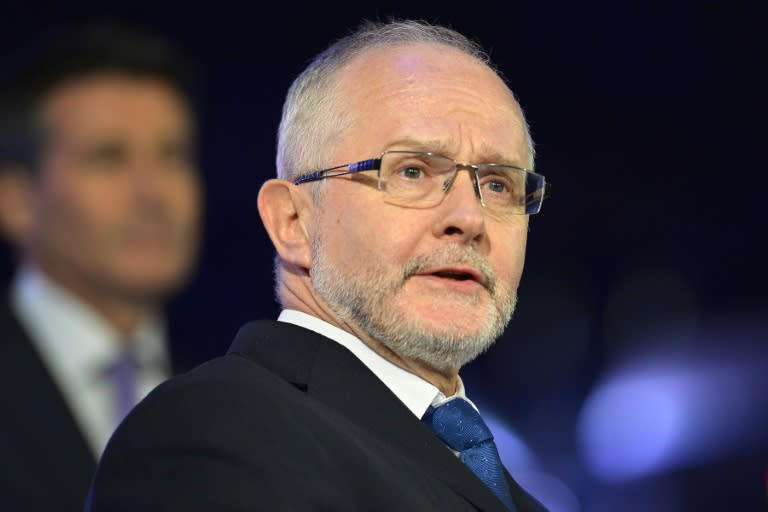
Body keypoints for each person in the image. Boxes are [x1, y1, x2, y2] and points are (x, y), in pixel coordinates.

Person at [86, 20, 548, 511]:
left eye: (498, 184)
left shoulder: (519, 497)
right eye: (412, 171)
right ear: (292, 222)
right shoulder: (217, 431)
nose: (470, 217)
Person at [0, 26, 202, 511]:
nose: (154, 192)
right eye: (108, 157)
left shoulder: (229, 390)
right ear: (17, 199)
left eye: (173, 155)